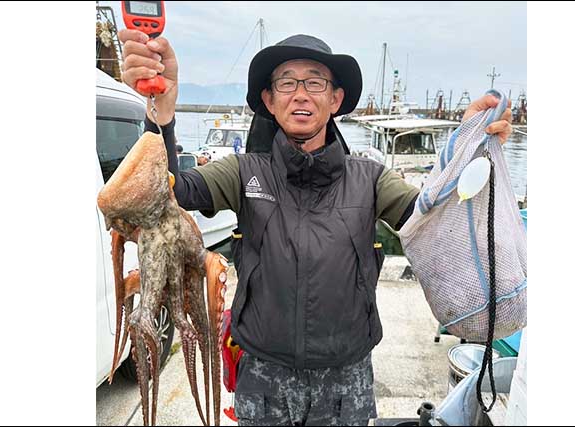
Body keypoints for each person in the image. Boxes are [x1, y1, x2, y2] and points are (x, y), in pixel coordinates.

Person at [119, 31, 512, 426]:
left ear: (335, 99)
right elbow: (170, 193)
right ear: (270, 101)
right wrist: (162, 117)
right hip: (262, 378)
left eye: (315, 82)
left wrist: (468, 148)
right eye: (287, 82)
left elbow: (434, 218)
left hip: (347, 381)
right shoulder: (244, 173)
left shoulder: (371, 179)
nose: (301, 94)